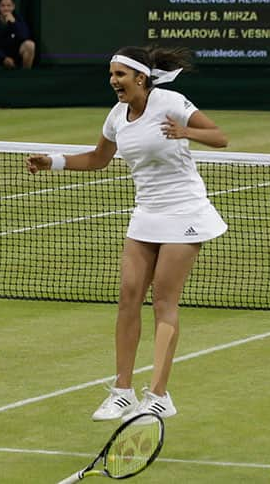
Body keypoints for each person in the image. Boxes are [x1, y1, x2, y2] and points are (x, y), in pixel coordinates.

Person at [26, 45, 228, 422]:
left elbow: (220, 136)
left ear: (140, 77)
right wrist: (52, 162)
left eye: (120, 74)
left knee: (164, 301)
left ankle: (159, 395)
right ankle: (122, 391)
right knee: (128, 297)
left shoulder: (169, 100)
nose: (113, 81)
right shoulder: (117, 115)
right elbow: (98, 159)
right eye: (111, 75)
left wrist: (185, 131)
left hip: (185, 211)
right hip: (147, 214)